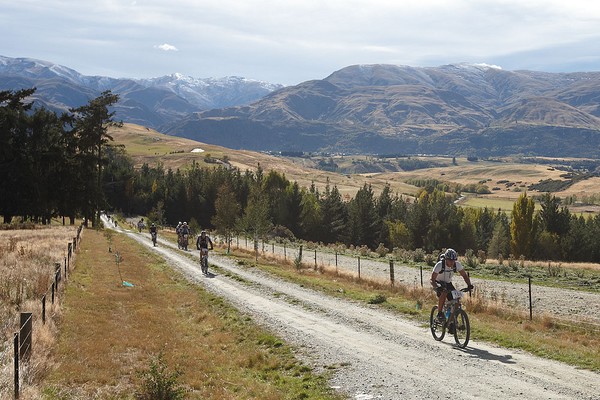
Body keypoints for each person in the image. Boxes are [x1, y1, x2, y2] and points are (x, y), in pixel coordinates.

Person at [430, 248, 473, 323]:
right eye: (450, 260)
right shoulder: (440, 265)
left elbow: (465, 276)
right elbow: (432, 279)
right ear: (446, 259)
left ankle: (451, 322)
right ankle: (439, 313)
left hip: (448, 283)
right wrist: (437, 287)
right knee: (444, 293)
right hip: (438, 282)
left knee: (457, 301)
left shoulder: (457, 265)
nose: (452, 262)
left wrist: (469, 285)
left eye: (454, 260)